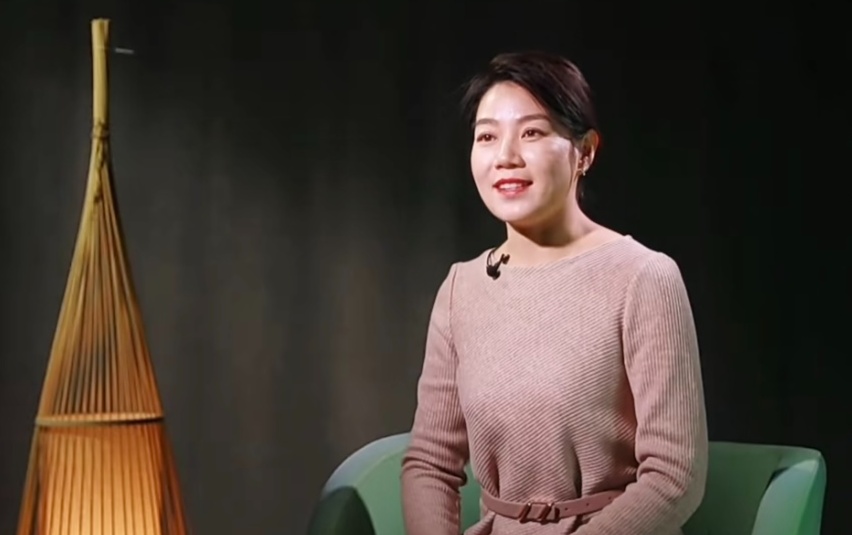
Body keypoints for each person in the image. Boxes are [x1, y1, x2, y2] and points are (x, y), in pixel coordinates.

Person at [400, 51, 708, 535]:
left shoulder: (643, 277)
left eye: (532, 133)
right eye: (487, 136)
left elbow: (674, 476)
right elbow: (430, 463)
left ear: (584, 152)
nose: (506, 157)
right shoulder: (462, 289)